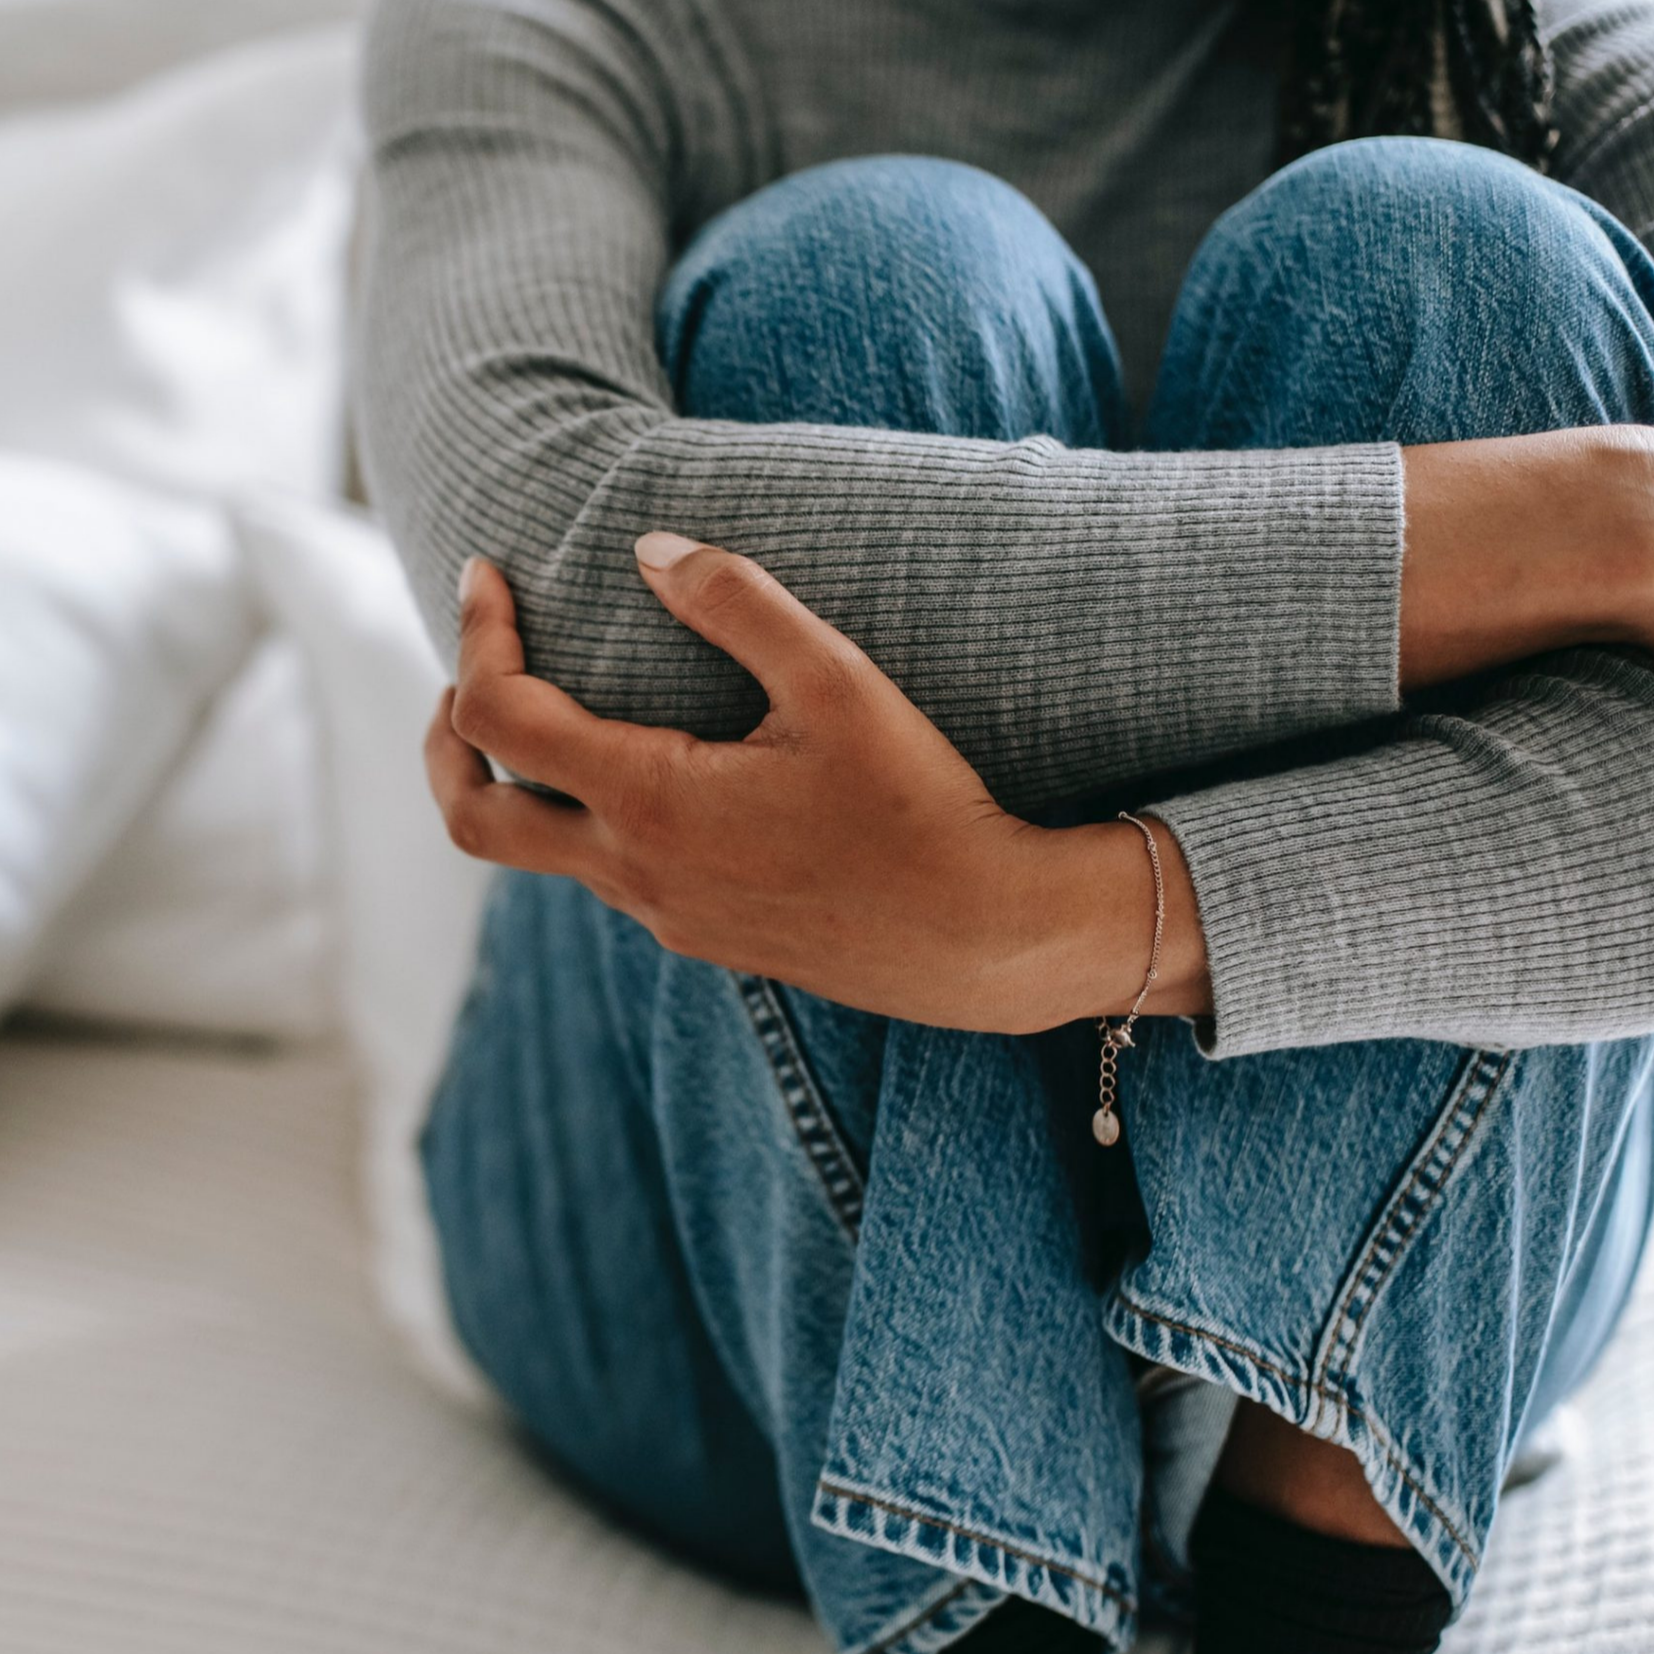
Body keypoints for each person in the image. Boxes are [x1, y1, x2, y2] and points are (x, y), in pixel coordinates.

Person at [352, 0, 1654, 1648]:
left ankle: (1323, 1575)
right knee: (871, 271)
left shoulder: (1532, 32)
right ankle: (981, 1609)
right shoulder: (569, 22)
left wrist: (1057, 921)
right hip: (698, 1293)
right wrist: (1585, 521)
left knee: (1464, 249)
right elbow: (564, 591)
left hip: (1405, 1316)